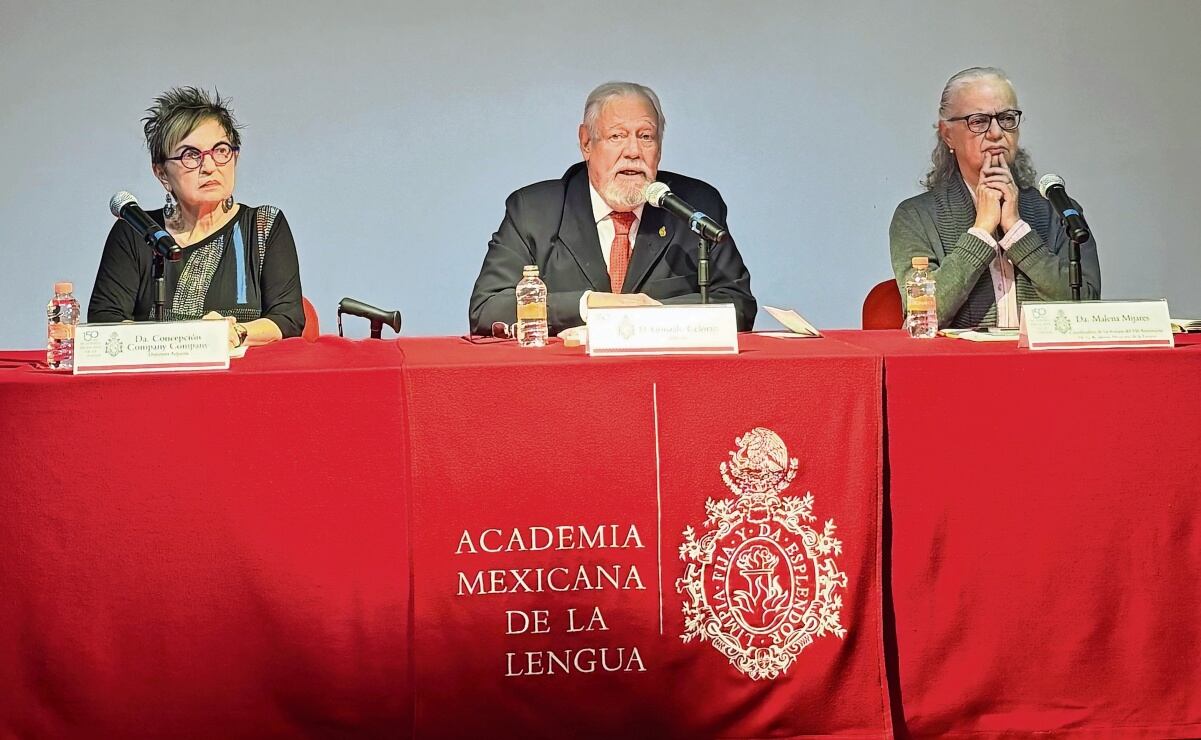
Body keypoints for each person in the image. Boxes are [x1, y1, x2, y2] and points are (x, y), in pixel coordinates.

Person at [469, 81, 756, 336]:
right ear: (586, 143)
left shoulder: (695, 206)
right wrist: (588, 305)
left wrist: (648, 317)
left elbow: (738, 304)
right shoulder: (533, 211)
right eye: (617, 136)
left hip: (665, 381)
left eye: (646, 137)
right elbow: (487, 308)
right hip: (567, 383)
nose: (633, 151)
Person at [89, 87, 304, 349]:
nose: (210, 166)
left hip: (242, 382)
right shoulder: (136, 233)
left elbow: (287, 319)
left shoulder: (264, 226)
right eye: (191, 155)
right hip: (158, 384)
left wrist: (235, 331)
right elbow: (105, 321)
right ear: (162, 173)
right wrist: (187, 339)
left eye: (221, 150)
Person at [889, 67, 1100, 329]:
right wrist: (982, 230)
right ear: (947, 134)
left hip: (1043, 367)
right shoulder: (915, 216)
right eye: (978, 121)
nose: (996, 132)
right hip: (960, 368)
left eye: (1007, 118)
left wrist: (1017, 230)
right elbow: (925, 317)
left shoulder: (1060, 212)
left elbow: (1086, 308)